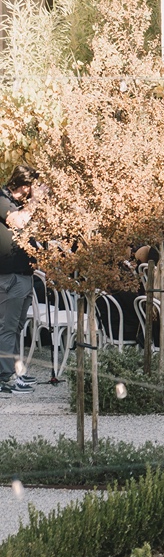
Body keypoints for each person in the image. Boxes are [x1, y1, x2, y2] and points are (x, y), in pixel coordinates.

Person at [0, 168, 36, 393]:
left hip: (24, 275)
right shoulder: (2, 198)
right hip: (10, 276)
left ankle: (13, 372)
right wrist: (35, 202)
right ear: (24, 185)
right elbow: (18, 222)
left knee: (16, 327)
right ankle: (6, 378)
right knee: (7, 327)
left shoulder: (18, 203)